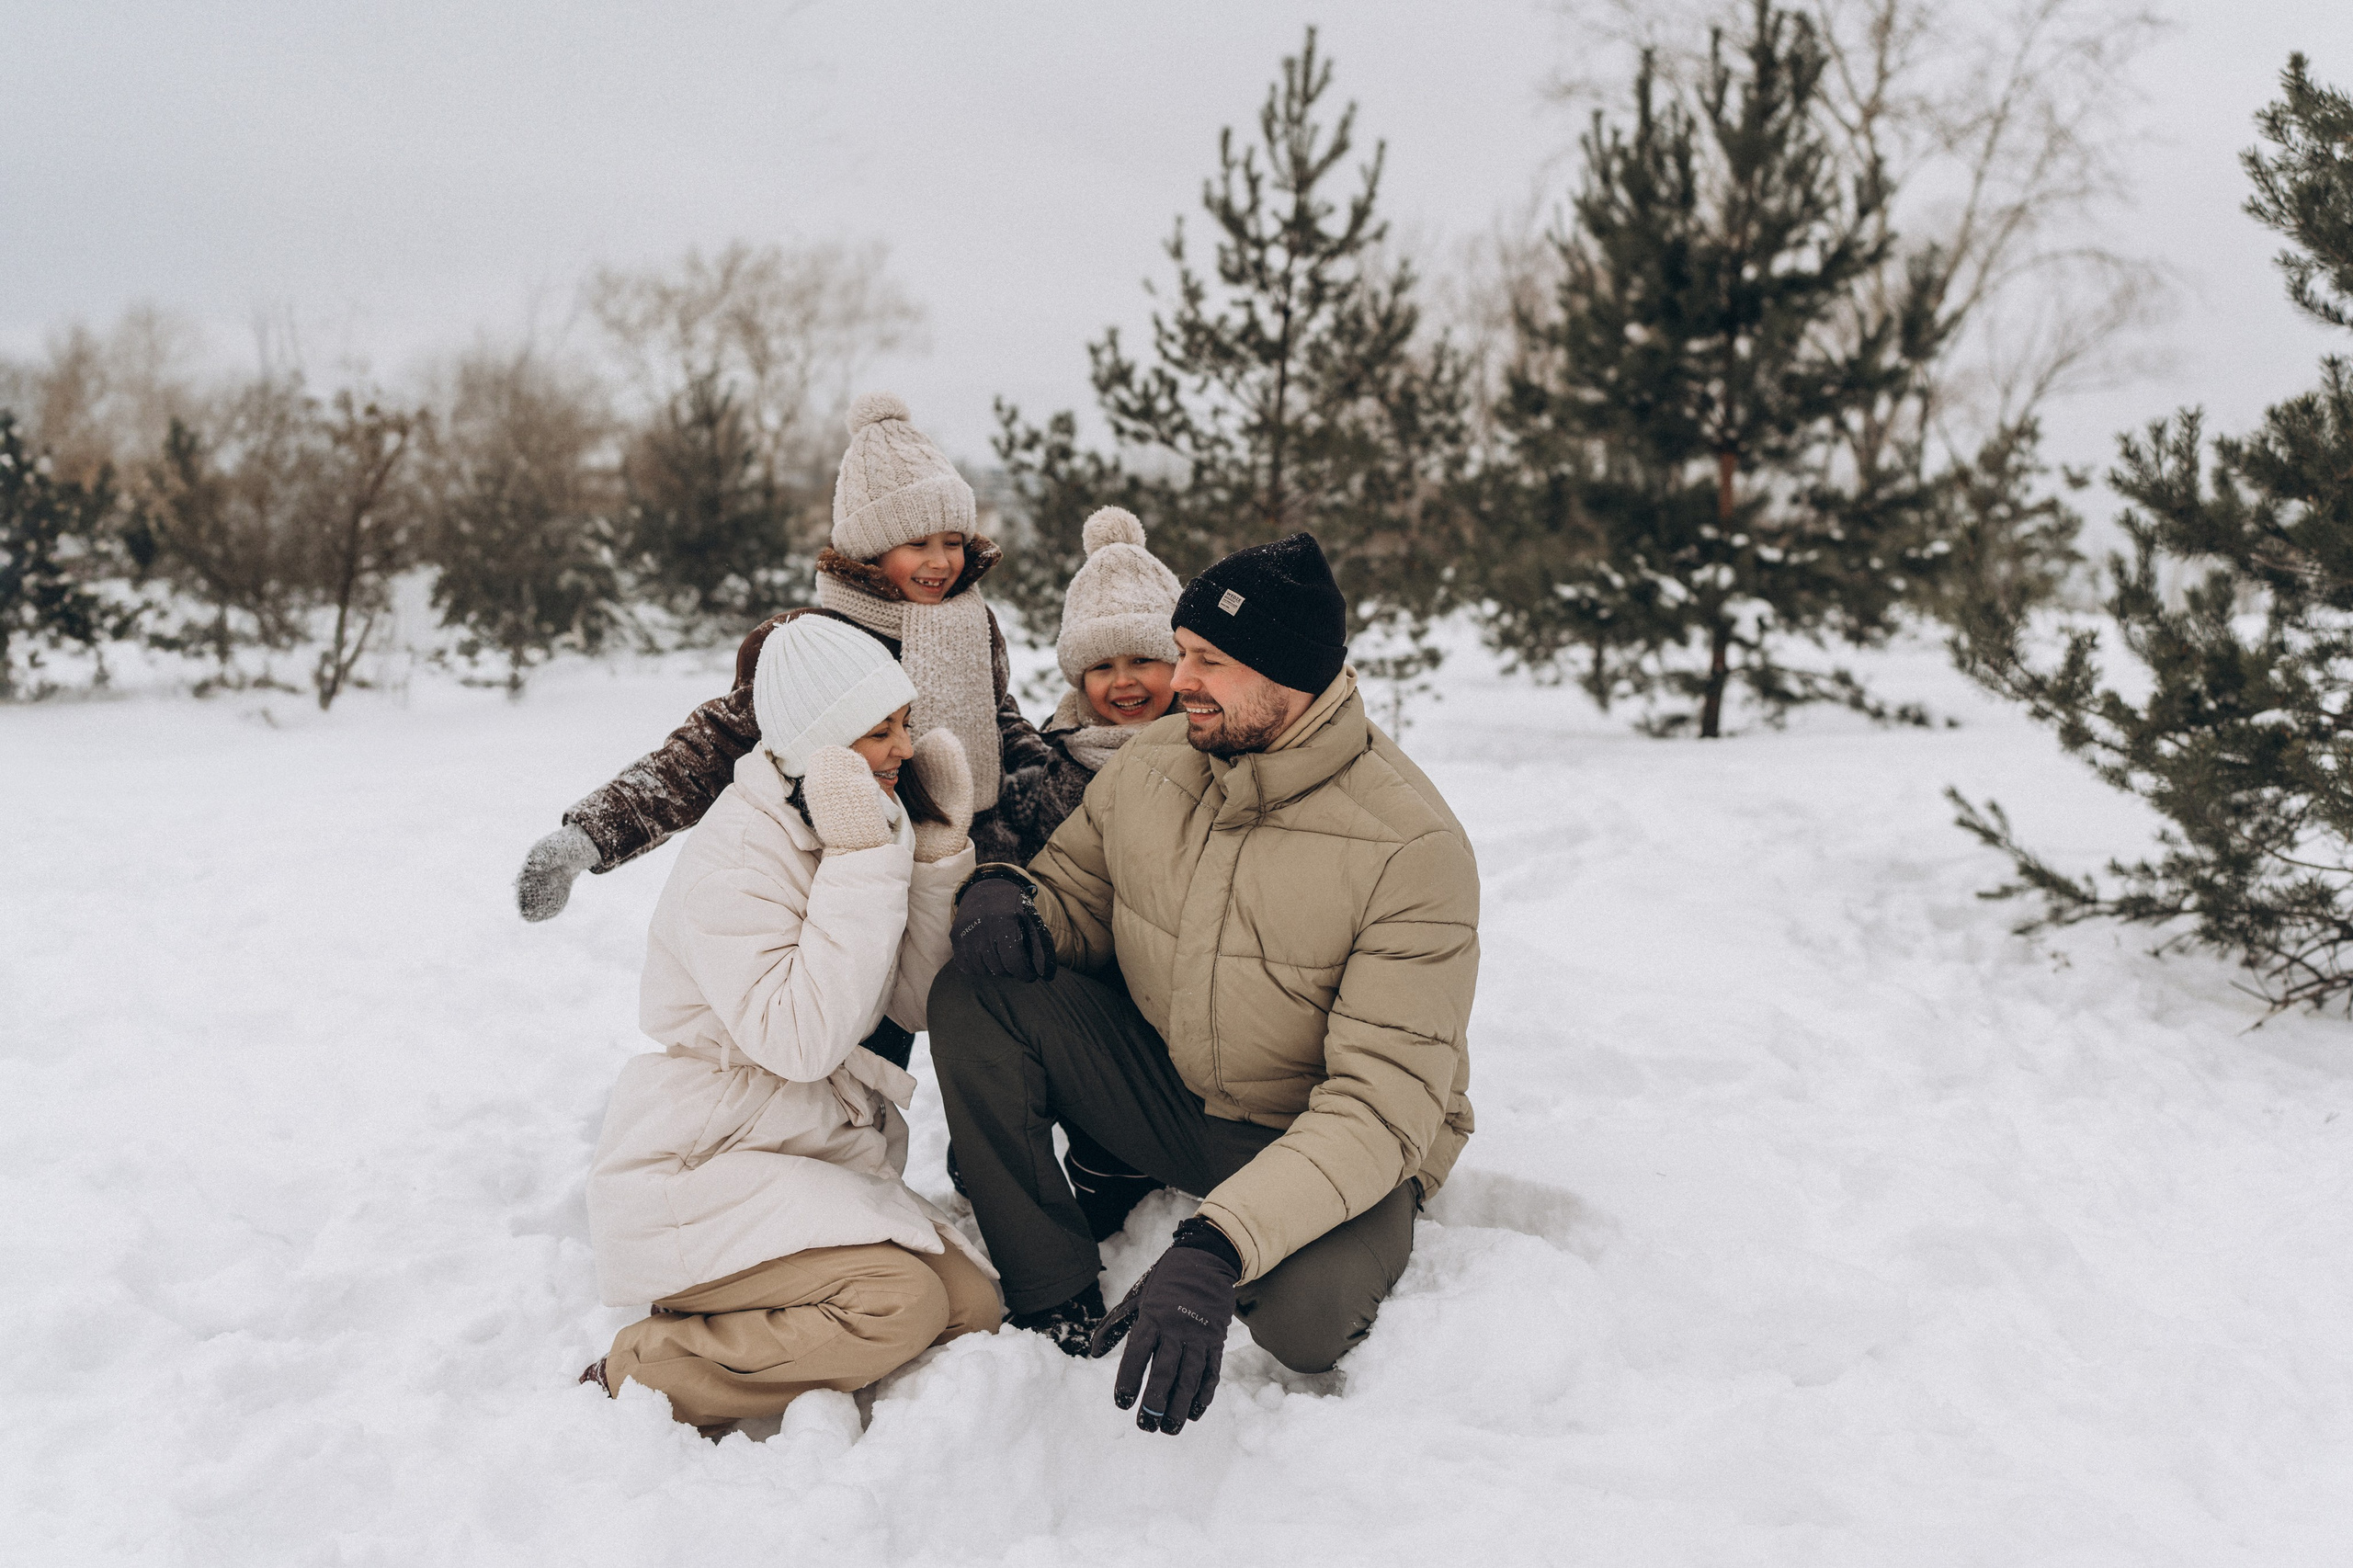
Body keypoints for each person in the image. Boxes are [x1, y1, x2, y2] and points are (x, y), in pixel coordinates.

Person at [927, 532, 1481, 1435]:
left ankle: (1266, 1225)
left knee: (1306, 1320)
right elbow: (1078, 892)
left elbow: (1382, 1105)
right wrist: (1011, 896)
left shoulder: (1411, 848)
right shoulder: (1155, 762)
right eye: (1180, 654)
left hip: (1328, 1130)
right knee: (977, 992)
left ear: (1286, 677)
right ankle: (1052, 1284)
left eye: (1207, 662)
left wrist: (1216, 1242)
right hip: (1178, 1089)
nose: (1178, 682)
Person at [578, 613, 997, 1435]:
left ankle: (764, 1296)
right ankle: (650, 1364)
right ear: (823, 743)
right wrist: (863, 864)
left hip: (805, 1142)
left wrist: (938, 861)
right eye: (881, 732)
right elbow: (800, 1043)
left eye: (905, 724)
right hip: (706, 1158)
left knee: (972, 1307)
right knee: (898, 1307)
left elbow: (914, 1004)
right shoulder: (739, 858)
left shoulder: (855, 814)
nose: (906, 750)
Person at [513, 392, 1055, 953]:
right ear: (868, 551)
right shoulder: (819, 647)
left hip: (978, 871)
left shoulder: (973, 626)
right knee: (865, 1036)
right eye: (916, 543)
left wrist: (1050, 780)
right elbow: (711, 748)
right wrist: (589, 837)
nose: (941, 562)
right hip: (859, 880)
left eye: (952, 542)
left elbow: (995, 717)